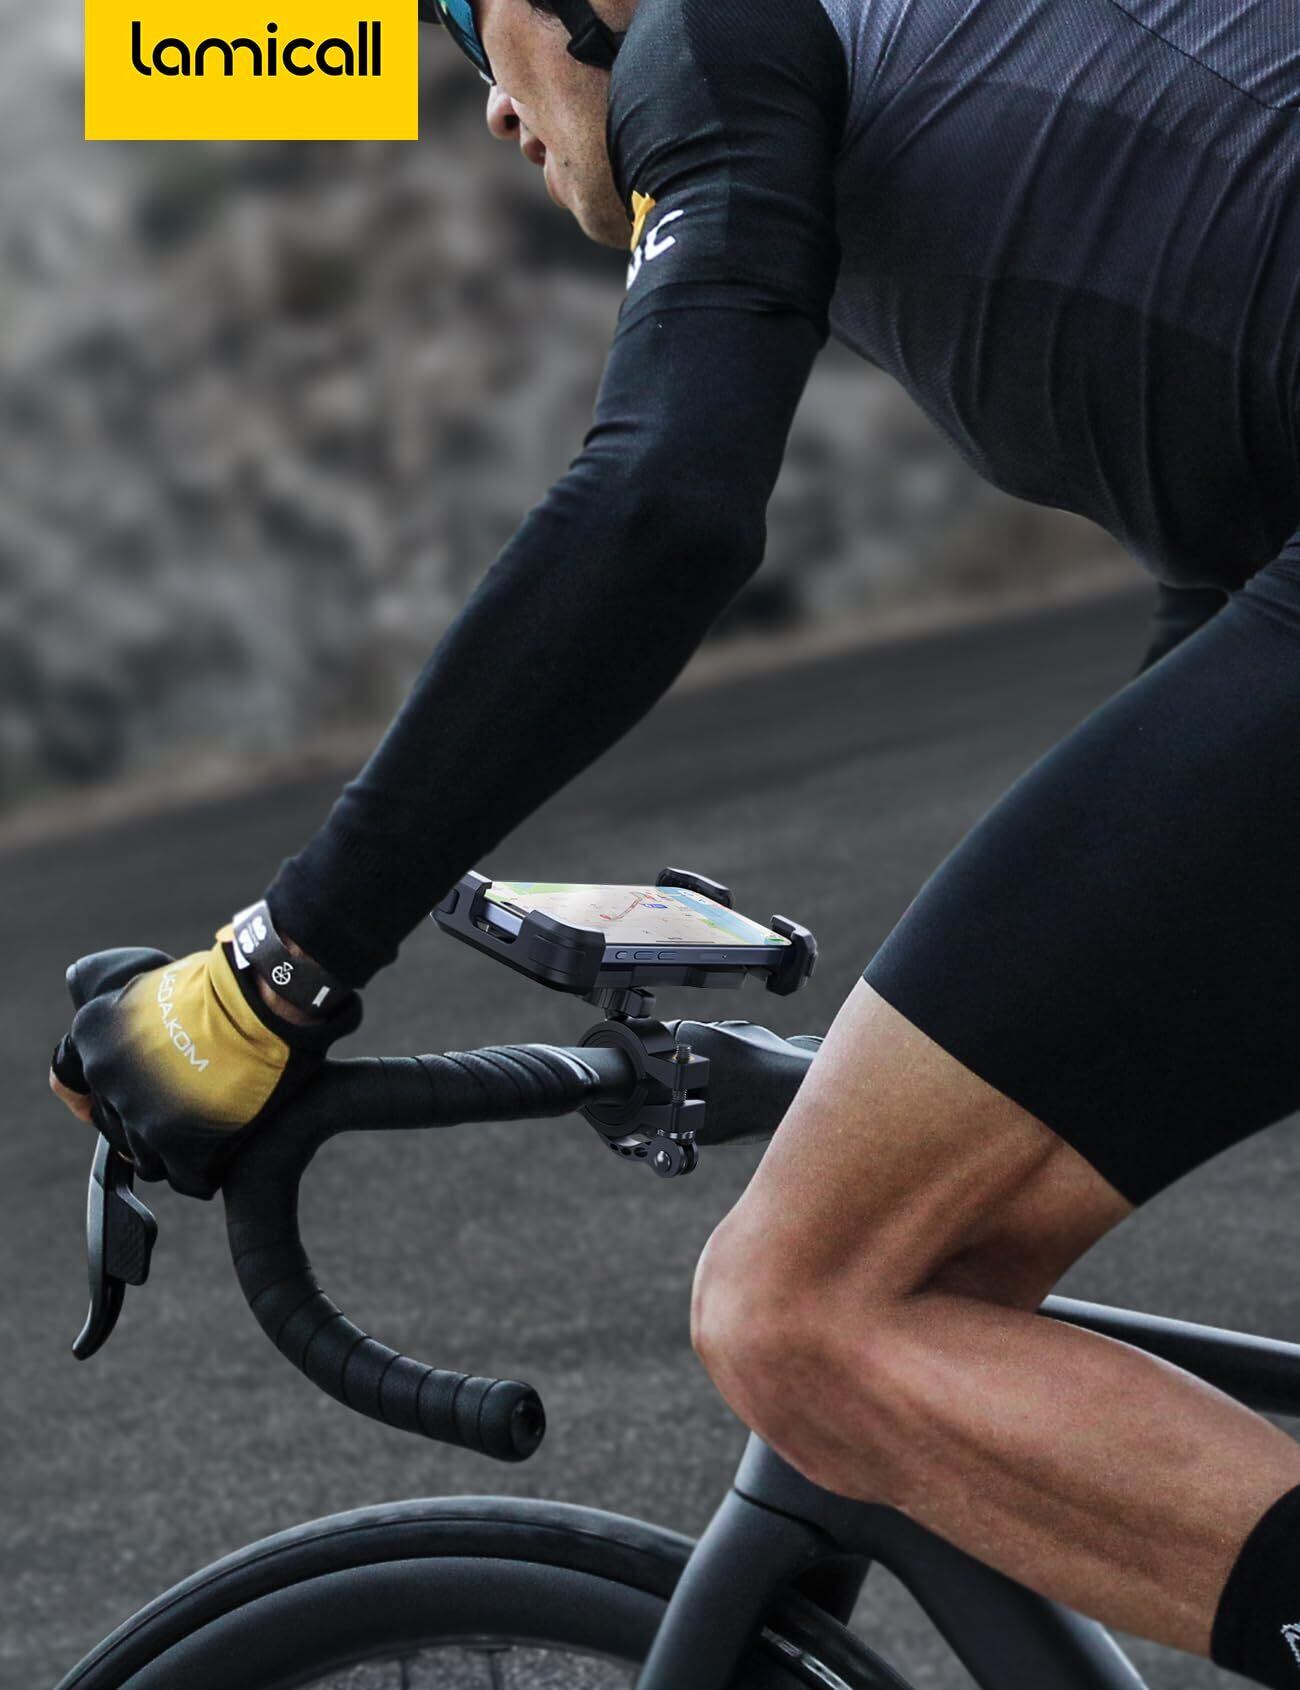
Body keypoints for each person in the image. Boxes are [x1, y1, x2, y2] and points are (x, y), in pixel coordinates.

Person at [49, 0, 1300, 1682]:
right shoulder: (990, 79)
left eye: (468, 26)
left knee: (802, 1306)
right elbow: (1205, 692)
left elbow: (661, 508)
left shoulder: (714, 44)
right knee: (913, 1240)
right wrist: (894, 1068)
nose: (491, 110)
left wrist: (266, 979)